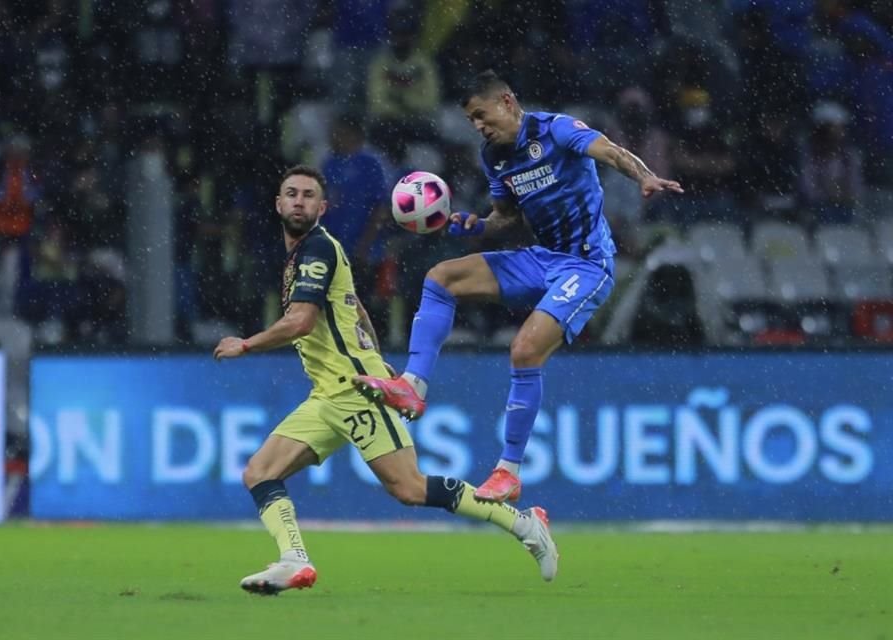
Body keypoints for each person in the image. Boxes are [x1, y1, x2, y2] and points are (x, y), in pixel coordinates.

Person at [213, 164, 558, 595]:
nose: (298, 200)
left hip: (353, 390)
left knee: (409, 488)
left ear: (322, 207)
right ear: (278, 203)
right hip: (329, 394)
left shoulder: (317, 249)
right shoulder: (305, 254)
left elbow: (301, 321)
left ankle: (524, 523)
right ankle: (293, 559)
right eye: (291, 193)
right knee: (260, 471)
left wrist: (245, 345)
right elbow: (354, 306)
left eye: (307, 195)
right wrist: (377, 357)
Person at [353, 70, 683, 503]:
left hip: (585, 266)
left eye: (481, 115)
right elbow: (506, 216)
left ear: (507, 101)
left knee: (525, 350)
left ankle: (508, 471)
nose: (478, 126)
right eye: (471, 119)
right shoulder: (495, 157)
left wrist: (642, 176)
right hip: (542, 258)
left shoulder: (556, 129)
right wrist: (477, 225)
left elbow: (611, 151)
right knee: (441, 277)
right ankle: (414, 386)